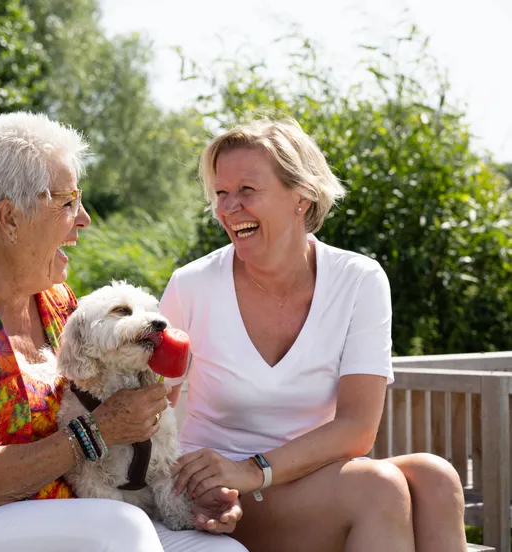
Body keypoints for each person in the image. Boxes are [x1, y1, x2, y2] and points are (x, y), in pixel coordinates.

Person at [0, 112, 248, 552]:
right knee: (119, 529)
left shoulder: (55, 298)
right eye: (67, 202)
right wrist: (98, 430)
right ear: (9, 218)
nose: (84, 218)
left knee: (222, 550)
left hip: (71, 517)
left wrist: (180, 495)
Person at [161, 118, 467, 552]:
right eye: (221, 193)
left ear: (302, 196)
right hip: (219, 496)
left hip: (304, 481)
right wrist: (191, 489)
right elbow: (148, 411)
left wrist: (253, 469)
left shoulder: (358, 280)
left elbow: (357, 428)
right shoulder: (192, 286)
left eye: (247, 190)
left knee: (436, 478)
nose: (229, 208)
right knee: (377, 488)